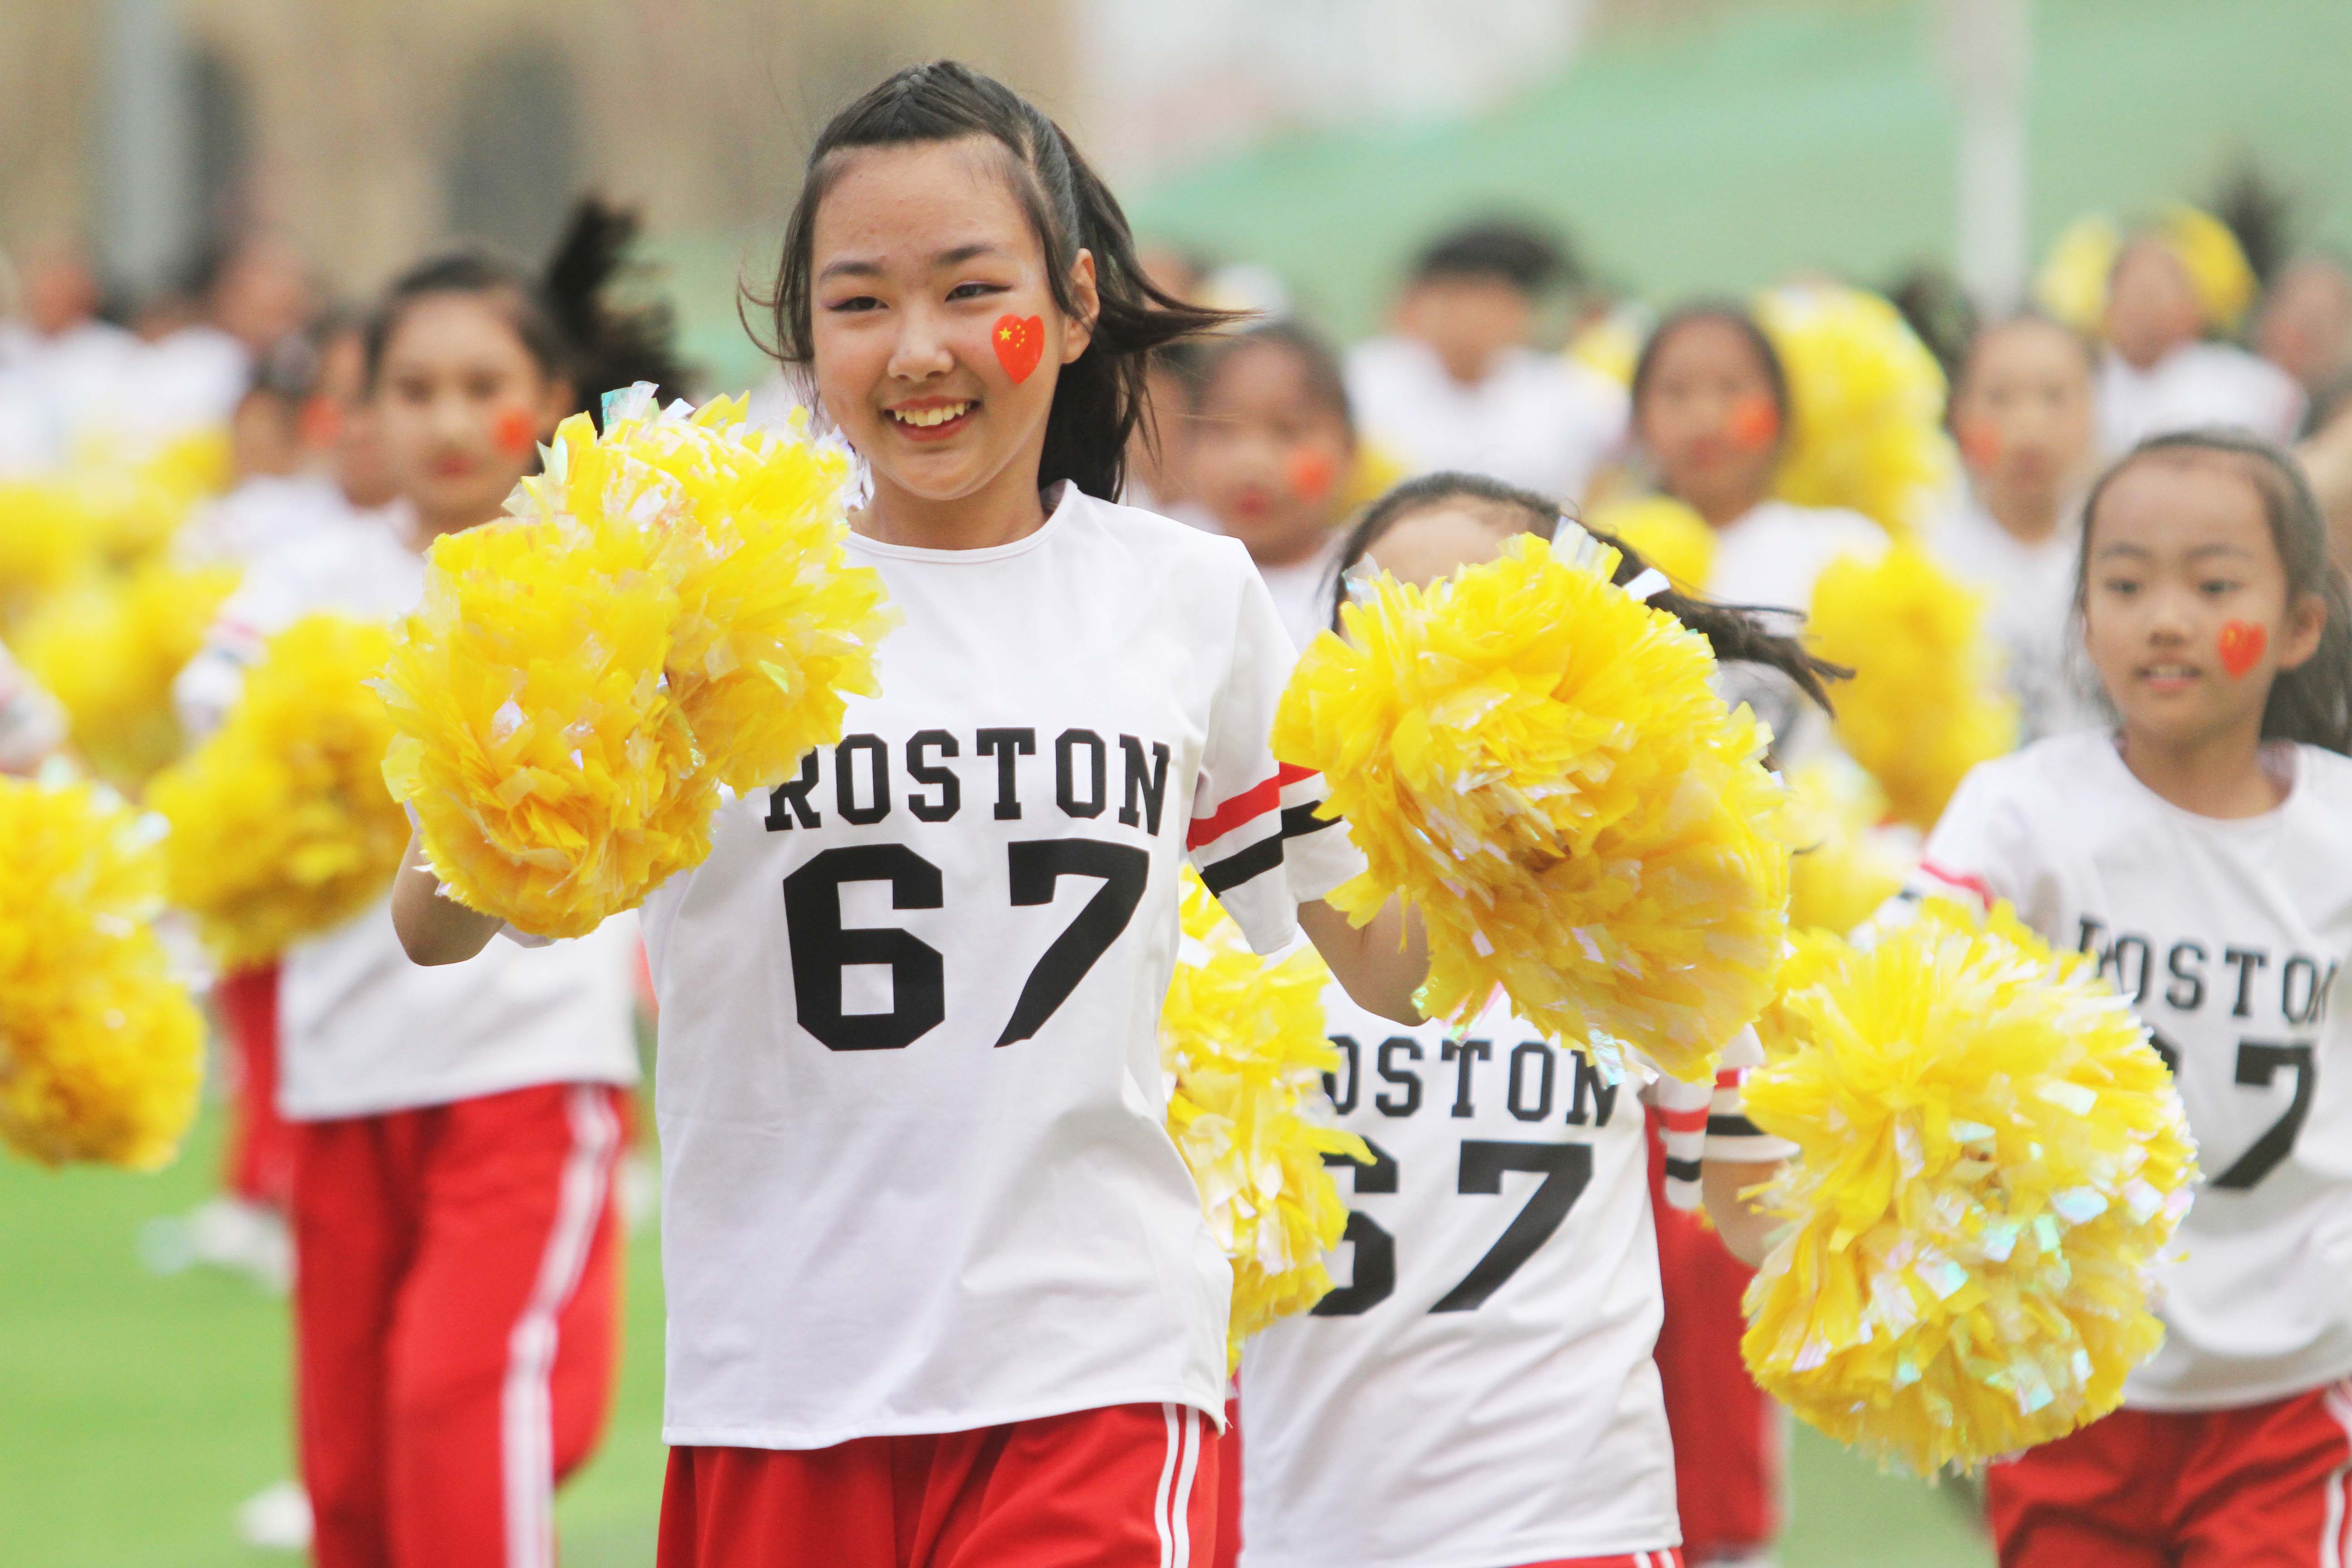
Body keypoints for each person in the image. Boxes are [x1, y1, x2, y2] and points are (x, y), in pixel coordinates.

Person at [394, 59, 1430, 1568]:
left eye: (970, 289)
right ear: (803, 331)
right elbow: (436, 922)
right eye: (861, 302)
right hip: (776, 1380)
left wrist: (1540, 833)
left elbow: (1380, 962)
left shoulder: (1185, 599)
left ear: (1073, 307)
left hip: (1097, 1373)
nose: (921, 350)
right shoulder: (705, 590)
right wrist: (568, 681)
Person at [183, 200, 674, 1568]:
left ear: (552, 402)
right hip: (344, 1082)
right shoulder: (303, 583)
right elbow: (218, 720)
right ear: (361, 414)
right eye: (414, 390)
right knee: (351, 1481)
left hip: (523, 1076)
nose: (451, 420)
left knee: (462, 1404)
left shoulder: (597, 583)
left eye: (484, 387)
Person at [1228, 470, 1820, 1568]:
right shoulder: (1250, 900)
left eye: (1479, 628)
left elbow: (1759, 1207)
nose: (1437, 678)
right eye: (1392, 627)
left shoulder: (1656, 918)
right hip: (1298, 1527)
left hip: (1571, 1523)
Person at [1911, 429, 2352, 1567]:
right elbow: (1889, 1004)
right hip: (2064, 1380)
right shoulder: (2017, 815)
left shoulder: (2339, 832)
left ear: (2299, 622)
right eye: (2123, 583)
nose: (2165, 616)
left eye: (2213, 585)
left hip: (2292, 1394)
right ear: (2082, 617)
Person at [1628, 302, 1885, 762]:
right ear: (1638, 420)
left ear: (1783, 411)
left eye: (1732, 390)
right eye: (1675, 393)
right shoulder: (1602, 559)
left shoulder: (1848, 551)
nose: (1705, 418)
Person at [1346, 221, 1625, 505]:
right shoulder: (1363, 378)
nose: (1470, 318)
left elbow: (1630, 449)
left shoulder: (1569, 389)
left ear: (1520, 314)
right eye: (1454, 297)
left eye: (1489, 301)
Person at [1932, 314, 2107, 741]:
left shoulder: (2124, 556)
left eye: (2054, 397)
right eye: (1999, 398)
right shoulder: (1926, 557)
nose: (2028, 428)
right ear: (1959, 414)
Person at [1187, 322, 1358, 649]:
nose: (1252, 462)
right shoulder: (1165, 571)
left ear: (1349, 450)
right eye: (1223, 430)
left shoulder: (1363, 588)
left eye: (1289, 431)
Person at [2098, 234, 2303, 455]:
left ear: (2194, 308)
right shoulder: (2084, 379)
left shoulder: (2248, 383)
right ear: (2107, 310)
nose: (2143, 309)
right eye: (2131, 289)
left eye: (2156, 293)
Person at [2257, 255, 2352, 434]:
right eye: (2284, 313)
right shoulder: (2211, 377)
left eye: (2314, 325)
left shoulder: (2339, 419)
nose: (2291, 335)